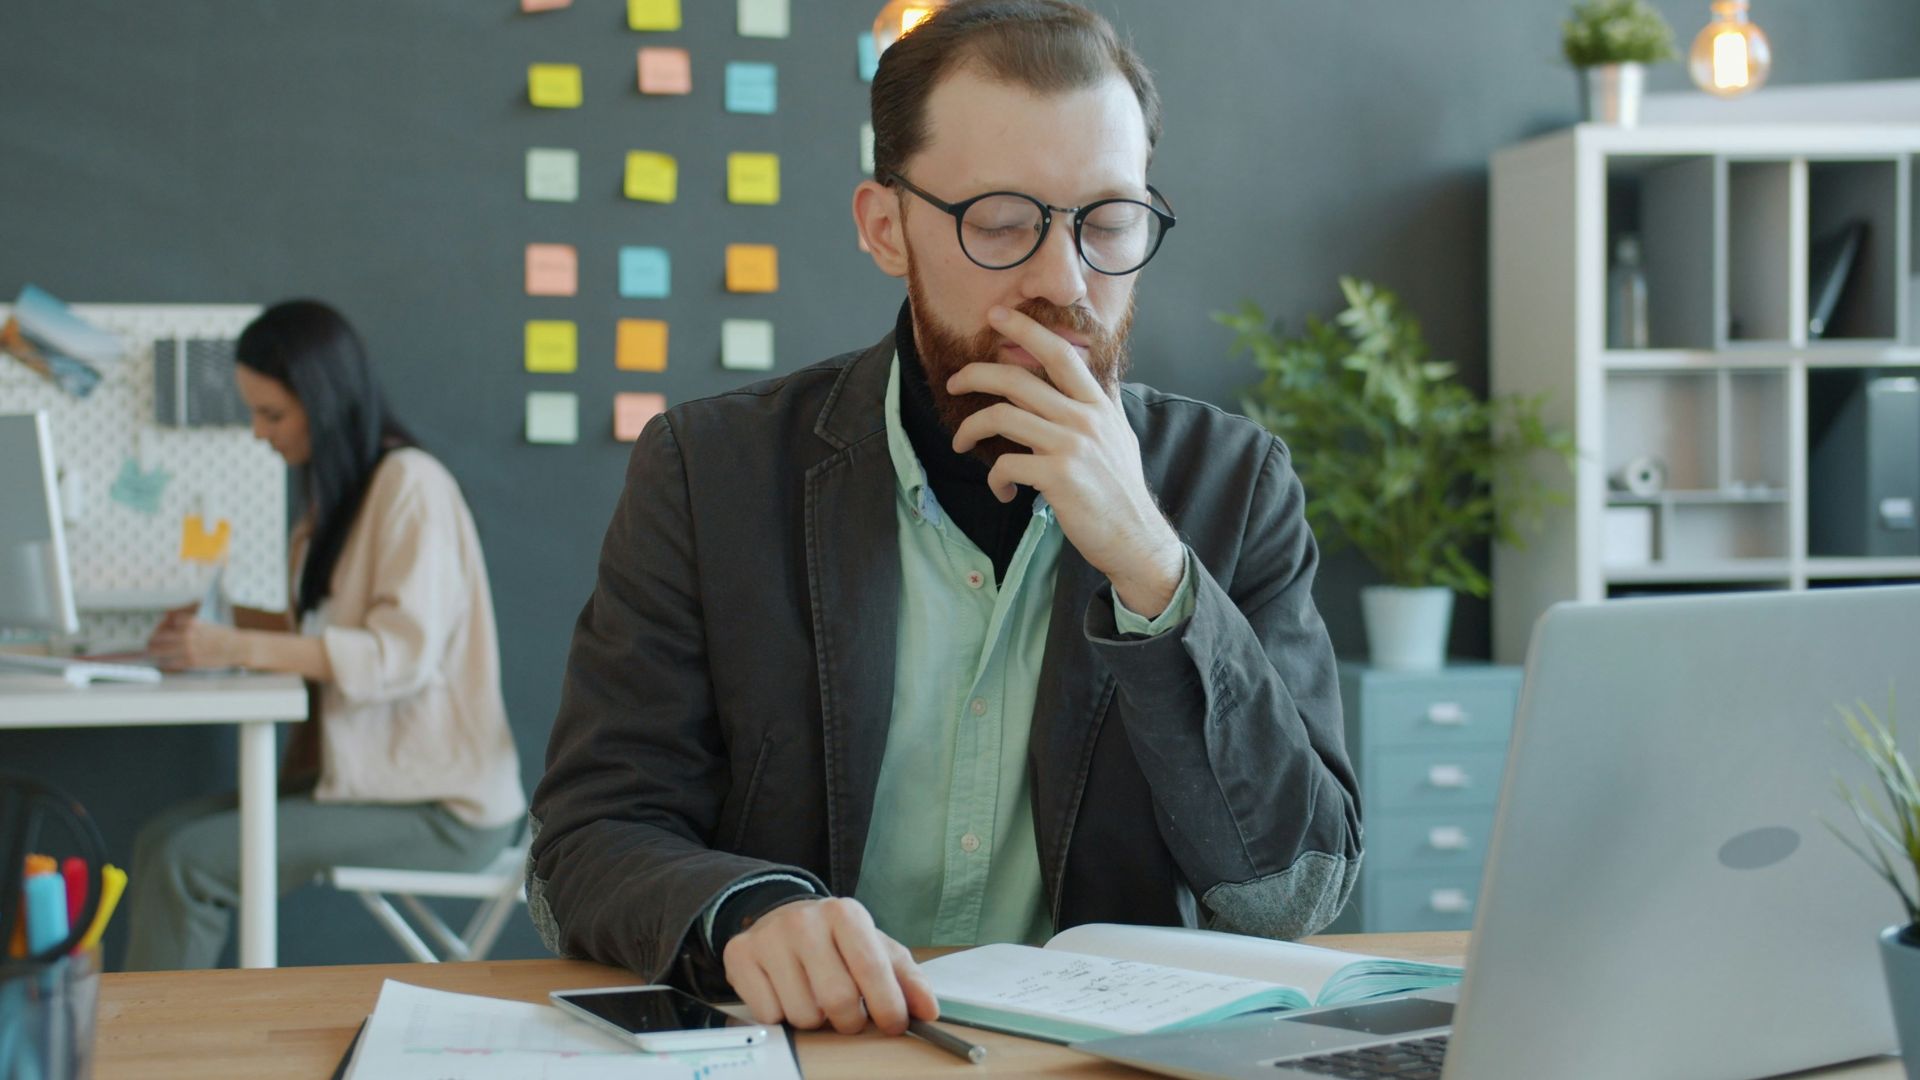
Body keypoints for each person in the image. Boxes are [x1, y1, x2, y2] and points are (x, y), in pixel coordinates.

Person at [529, 0, 1360, 1038]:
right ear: (887, 228)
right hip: (807, 1054)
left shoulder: (1236, 489)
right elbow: (583, 843)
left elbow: (1293, 896)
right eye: (1004, 223)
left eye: (1108, 223)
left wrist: (1153, 570)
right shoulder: (710, 473)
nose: (1065, 282)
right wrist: (745, 914)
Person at [124, 299, 525, 970]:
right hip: (367, 782)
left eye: (272, 414)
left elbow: (397, 656)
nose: (258, 433)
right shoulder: (331, 510)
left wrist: (237, 647)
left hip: (441, 809)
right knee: (161, 838)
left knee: (186, 863)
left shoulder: (411, 487)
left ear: (326, 401)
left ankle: (149, 1063)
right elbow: (322, 633)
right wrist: (219, 626)